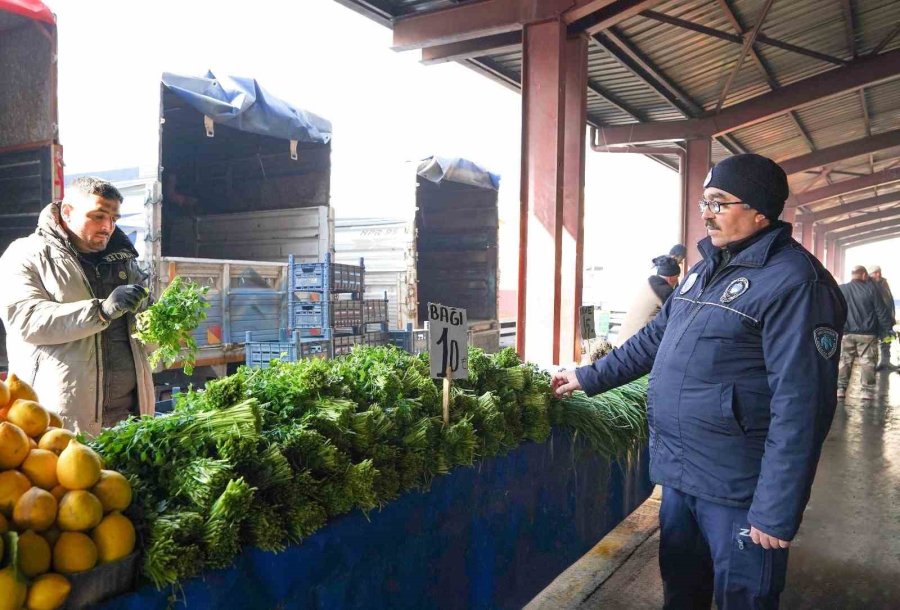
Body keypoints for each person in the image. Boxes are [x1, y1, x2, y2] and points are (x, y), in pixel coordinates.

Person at [552, 154, 847, 609]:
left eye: (718, 202)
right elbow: (653, 339)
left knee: (743, 599)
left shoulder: (796, 283)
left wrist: (776, 509)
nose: (706, 213)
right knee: (682, 592)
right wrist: (587, 377)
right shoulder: (705, 270)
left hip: (739, 489)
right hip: (684, 475)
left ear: (760, 210)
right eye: (703, 202)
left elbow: (802, 405)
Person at [0, 177, 155, 436]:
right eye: (98, 216)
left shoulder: (125, 262)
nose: (108, 226)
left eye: (114, 218)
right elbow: (25, 320)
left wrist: (162, 322)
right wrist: (101, 311)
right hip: (62, 422)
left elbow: (144, 333)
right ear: (68, 212)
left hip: (129, 419)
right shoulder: (26, 254)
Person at [837, 266, 893, 402]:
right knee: (868, 362)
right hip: (867, 334)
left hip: (846, 333)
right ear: (863, 275)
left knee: (844, 361)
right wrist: (887, 330)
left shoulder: (842, 289)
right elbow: (881, 311)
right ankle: (867, 392)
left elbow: (835, 309)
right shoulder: (871, 290)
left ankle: (840, 389)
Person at [615, 255, 680, 346]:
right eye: (677, 277)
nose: (678, 280)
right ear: (671, 278)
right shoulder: (664, 291)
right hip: (635, 346)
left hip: (623, 343)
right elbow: (680, 314)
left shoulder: (650, 283)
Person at [868, 265, 897, 371]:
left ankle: (886, 362)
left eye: (879, 272)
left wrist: (891, 318)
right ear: (870, 274)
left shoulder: (884, 283)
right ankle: (873, 365)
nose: (878, 274)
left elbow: (889, 301)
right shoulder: (869, 285)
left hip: (887, 318)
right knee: (874, 344)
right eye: (875, 272)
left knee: (887, 341)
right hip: (876, 320)